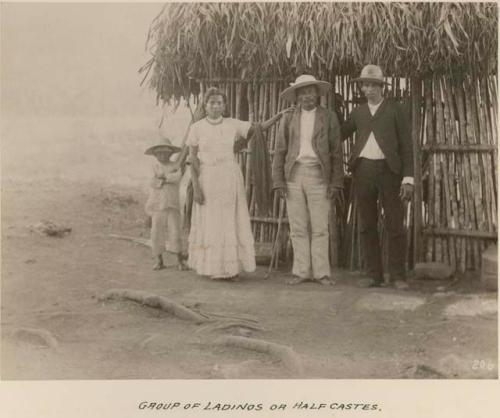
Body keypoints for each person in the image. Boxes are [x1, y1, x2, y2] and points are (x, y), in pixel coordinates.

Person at [186, 87, 286, 280]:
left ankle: (230, 269)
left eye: (219, 102)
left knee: (229, 220)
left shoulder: (233, 124)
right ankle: (211, 268)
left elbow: (258, 128)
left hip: (229, 177)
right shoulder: (197, 128)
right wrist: (196, 187)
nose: (215, 106)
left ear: (225, 106)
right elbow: (192, 158)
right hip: (207, 178)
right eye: (211, 102)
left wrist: (278, 116)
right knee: (211, 220)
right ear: (205, 105)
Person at [341, 64, 414, 289]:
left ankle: (398, 276)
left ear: (382, 87)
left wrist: (408, 179)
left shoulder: (395, 110)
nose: (369, 89)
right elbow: (340, 133)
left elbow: (407, 147)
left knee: (394, 224)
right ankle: (374, 275)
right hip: (363, 171)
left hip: (390, 172)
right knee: (367, 225)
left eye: (374, 85)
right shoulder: (358, 113)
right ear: (361, 87)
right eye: (365, 85)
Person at [272, 75, 344, 286]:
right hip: (294, 175)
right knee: (298, 226)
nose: (307, 96)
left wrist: (335, 182)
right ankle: (301, 271)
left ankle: (321, 273)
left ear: (317, 94)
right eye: (302, 92)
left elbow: (336, 152)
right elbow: (280, 151)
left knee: (320, 227)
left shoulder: (328, 117)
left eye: (310, 91)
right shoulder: (288, 118)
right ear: (296, 96)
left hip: (319, 175)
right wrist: (279, 181)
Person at [144, 137, 187, 271]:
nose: (162, 155)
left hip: (172, 204)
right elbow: (153, 182)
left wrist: (163, 177)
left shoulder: (175, 166)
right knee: (156, 232)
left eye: (165, 153)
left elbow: (177, 178)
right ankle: (159, 260)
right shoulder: (153, 167)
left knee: (175, 231)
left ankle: (180, 260)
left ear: (170, 154)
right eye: (159, 153)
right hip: (157, 205)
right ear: (155, 155)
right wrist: (164, 179)